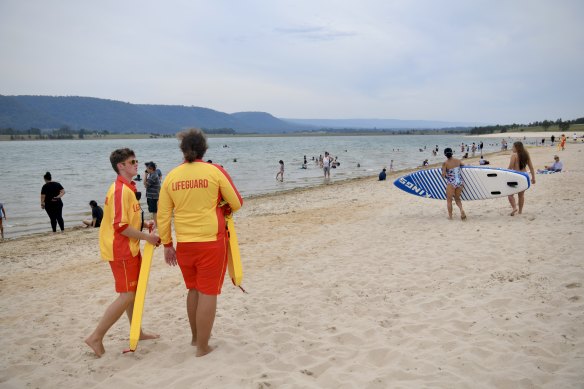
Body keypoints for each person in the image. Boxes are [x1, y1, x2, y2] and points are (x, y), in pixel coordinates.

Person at [157, 129, 243, 357]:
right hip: (211, 242)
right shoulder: (215, 171)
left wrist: (167, 245)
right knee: (208, 292)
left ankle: (196, 338)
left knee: (193, 289)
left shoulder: (172, 176)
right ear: (204, 149)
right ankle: (203, 348)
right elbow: (236, 202)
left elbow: (163, 215)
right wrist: (220, 205)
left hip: (185, 243)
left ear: (182, 150)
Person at [85, 148, 160, 358]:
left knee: (132, 294)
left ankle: (137, 330)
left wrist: (144, 225)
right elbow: (119, 226)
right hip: (121, 249)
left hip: (130, 247)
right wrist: (148, 238)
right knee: (126, 294)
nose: (137, 164)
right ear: (121, 166)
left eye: (136, 160)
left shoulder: (128, 187)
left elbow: (127, 220)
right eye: (132, 161)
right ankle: (95, 337)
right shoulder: (119, 190)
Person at [507, 141, 536, 216]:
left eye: (513, 147)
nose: (512, 148)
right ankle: (520, 211)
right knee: (521, 195)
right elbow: (531, 167)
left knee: (510, 194)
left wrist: (505, 175)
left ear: (517, 148)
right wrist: (533, 178)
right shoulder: (526, 154)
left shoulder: (514, 155)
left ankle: (514, 208)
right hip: (524, 176)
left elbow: (510, 167)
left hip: (516, 177)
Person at [441, 148, 466, 221]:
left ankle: (450, 216)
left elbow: (443, 174)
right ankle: (461, 210)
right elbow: (463, 165)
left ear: (445, 154)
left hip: (451, 183)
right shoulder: (458, 160)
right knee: (457, 198)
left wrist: (443, 172)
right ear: (452, 153)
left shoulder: (445, 163)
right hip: (459, 182)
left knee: (449, 200)